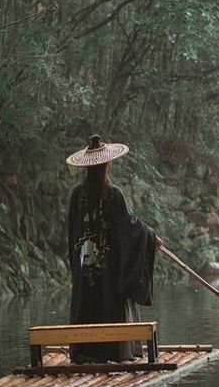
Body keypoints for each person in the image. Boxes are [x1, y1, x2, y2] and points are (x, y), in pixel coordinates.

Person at [66, 134, 160, 363]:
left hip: (84, 264)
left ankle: (85, 350)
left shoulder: (77, 194)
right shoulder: (113, 193)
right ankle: (111, 350)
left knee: (87, 299)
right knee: (109, 298)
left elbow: (72, 232)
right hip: (109, 270)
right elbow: (131, 227)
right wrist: (150, 236)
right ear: (107, 164)